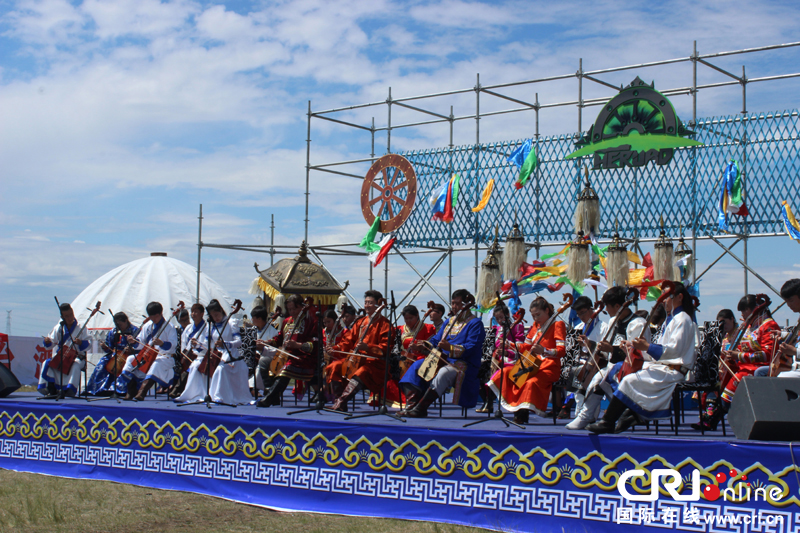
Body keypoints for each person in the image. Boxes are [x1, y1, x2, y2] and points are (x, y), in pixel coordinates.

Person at [587, 282, 699, 434]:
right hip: (664, 367)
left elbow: (674, 351)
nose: (664, 300)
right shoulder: (673, 319)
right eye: (663, 297)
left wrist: (647, 347)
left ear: (679, 297)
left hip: (674, 371)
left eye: (667, 297)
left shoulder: (683, 319)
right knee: (617, 370)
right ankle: (633, 414)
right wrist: (634, 348)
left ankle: (611, 421)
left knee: (629, 379)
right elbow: (660, 351)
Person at [565, 286, 648, 430]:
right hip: (614, 366)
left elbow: (638, 354)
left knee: (600, 378)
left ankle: (597, 416)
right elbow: (606, 349)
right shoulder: (613, 322)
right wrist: (592, 344)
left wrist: (612, 350)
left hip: (632, 368)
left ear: (617, 306)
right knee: (596, 380)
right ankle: (587, 415)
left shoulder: (637, 323)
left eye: (608, 307)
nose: (607, 311)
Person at [399, 289, 486, 418]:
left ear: (467, 304)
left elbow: (472, 347)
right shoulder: (449, 321)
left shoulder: (475, 323)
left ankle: (421, 408)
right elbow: (435, 340)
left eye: (458, 303)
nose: (454, 307)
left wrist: (450, 348)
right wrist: (423, 345)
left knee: (444, 373)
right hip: (442, 359)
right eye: (453, 303)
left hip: (463, 363)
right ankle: (412, 405)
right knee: (416, 366)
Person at [488, 297, 565, 424]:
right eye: (533, 316)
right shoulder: (535, 325)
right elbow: (527, 347)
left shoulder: (557, 325)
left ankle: (522, 414)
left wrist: (545, 351)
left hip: (548, 367)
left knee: (530, 382)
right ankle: (516, 408)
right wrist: (510, 344)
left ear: (547, 311)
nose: (535, 319)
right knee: (506, 372)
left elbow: (561, 351)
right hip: (532, 364)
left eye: (538, 315)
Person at [329, 291, 392, 412]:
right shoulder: (361, 322)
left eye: (371, 303)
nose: (367, 305)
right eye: (366, 302)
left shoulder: (385, 324)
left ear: (378, 305)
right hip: (355, 360)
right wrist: (335, 349)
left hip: (375, 364)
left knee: (362, 372)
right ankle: (338, 401)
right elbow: (347, 341)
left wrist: (368, 348)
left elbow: (385, 348)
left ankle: (342, 402)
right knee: (335, 366)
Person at [257, 295, 318, 407]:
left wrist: (298, 345)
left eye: (294, 309)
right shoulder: (286, 321)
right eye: (289, 309)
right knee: (265, 362)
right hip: (286, 355)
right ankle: (274, 396)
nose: (292, 312)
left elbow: (315, 343)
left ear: (301, 307)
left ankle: (269, 398)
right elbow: (279, 339)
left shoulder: (311, 321)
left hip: (303, 357)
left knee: (287, 368)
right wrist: (267, 342)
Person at [117, 302, 178, 401]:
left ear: (159, 314)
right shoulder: (148, 325)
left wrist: (161, 343)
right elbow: (141, 342)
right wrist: (134, 342)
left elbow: (173, 345)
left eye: (154, 316)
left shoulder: (170, 327)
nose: (152, 319)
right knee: (131, 359)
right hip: (148, 355)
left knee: (156, 364)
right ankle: (130, 391)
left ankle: (142, 392)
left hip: (164, 357)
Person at [561, 296, 606, 427]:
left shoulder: (603, 326)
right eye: (578, 314)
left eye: (583, 313)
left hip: (597, 362)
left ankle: (585, 412)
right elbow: (571, 352)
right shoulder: (578, 327)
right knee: (573, 370)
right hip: (581, 361)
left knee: (581, 372)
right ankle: (581, 411)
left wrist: (590, 344)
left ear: (591, 309)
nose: (581, 316)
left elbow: (604, 350)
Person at [476, 302, 525, 413]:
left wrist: (507, 348)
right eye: (497, 318)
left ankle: (491, 401)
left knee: (495, 373)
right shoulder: (497, 328)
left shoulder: (517, 327)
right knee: (477, 371)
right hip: (497, 358)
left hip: (511, 358)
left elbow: (520, 347)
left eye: (502, 317)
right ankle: (487, 401)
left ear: (508, 315)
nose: (500, 321)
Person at [38, 303, 91, 397]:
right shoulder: (59, 327)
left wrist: (80, 343)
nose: (70, 318)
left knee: (75, 365)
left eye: (71, 314)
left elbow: (89, 344)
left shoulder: (81, 327)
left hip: (77, 357)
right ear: (62, 317)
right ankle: (50, 389)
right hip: (62, 356)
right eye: (66, 316)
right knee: (47, 363)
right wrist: (47, 341)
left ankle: (70, 389)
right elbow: (51, 343)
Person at [205, 299, 250, 405]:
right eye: (212, 315)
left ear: (221, 310)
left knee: (221, 369)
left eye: (216, 314)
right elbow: (209, 342)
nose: (215, 318)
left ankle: (220, 396)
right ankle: (213, 395)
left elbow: (238, 342)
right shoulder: (212, 325)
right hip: (218, 355)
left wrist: (225, 344)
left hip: (232, 355)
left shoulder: (231, 322)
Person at [85, 312, 139, 396]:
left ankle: (118, 389)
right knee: (102, 363)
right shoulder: (113, 331)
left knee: (123, 365)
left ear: (126, 321)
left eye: (120, 324)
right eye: (117, 325)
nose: (119, 327)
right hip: (115, 355)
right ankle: (95, 389)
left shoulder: (135, 331)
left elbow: (140, 347)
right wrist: (105, 347)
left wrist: (132, 349)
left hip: (128, 356)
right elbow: (109, 348)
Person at [171, 303, 209, 400]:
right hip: (189, 355)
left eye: (196, 312)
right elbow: (183, 343)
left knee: (192, 366)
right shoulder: (188, 327)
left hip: (201, 355)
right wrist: (184, 354)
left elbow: (207, 344)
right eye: (192, 312)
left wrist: (198, 344)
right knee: (182, 365)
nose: (193, 314)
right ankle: (179, 389)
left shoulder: (207, 327)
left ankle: (178, 389)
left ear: (201, 314)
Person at [397, 304, 439, 375]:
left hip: (421, 361)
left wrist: (420, 348)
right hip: (403, 360)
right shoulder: (399, 329)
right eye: (406, 319)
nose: (408, 321)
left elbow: (433, 349)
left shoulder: (428, 329)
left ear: (417, 315)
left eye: (411, 318)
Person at [251, 305, 280, 395]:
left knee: (261, 361)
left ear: (259, 319)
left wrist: (263, 348)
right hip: (253, 355)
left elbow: (275, 350)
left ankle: (253, 387)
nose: (251, 320)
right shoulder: (252, 330)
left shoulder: (273, 332)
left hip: (267, 356)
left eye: (253, 318)